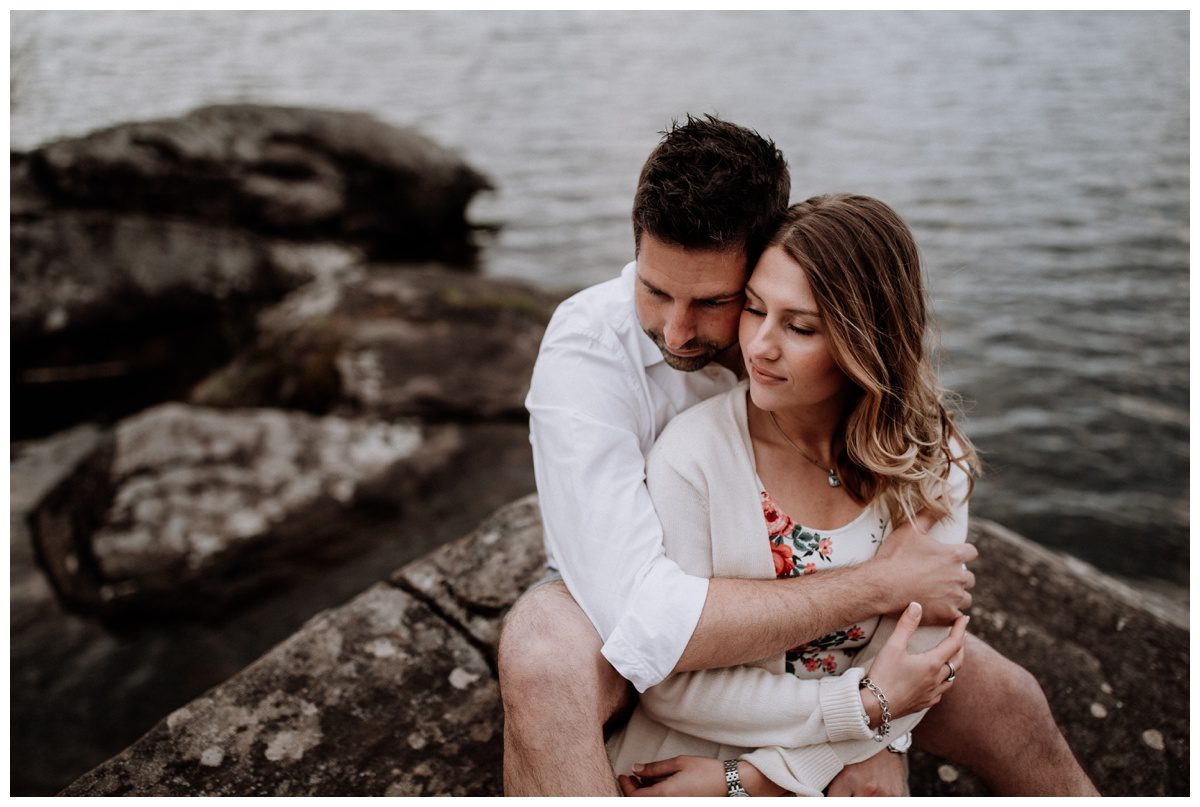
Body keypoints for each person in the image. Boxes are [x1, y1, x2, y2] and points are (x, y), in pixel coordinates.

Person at [500, 115, 1097, 796]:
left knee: (1010, 697)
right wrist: (876, 604)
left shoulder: (905, 431)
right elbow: (649, 625)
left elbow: (914, 647)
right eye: (655, 289)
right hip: (626, 611)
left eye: (716, 302)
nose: (678, 330)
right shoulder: (595, 354)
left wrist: (862, 736)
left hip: (807, 653)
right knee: (542, 650)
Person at [609, 194, 974, 796]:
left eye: (799, 327)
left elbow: (923, 666)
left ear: (869, 340)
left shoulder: (931, 460)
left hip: (805, 776)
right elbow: (672, 685)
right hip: (681, 773)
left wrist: (759, 778)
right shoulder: (692, 458)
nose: (759, 346)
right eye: (754, 309)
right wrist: (863, 709)